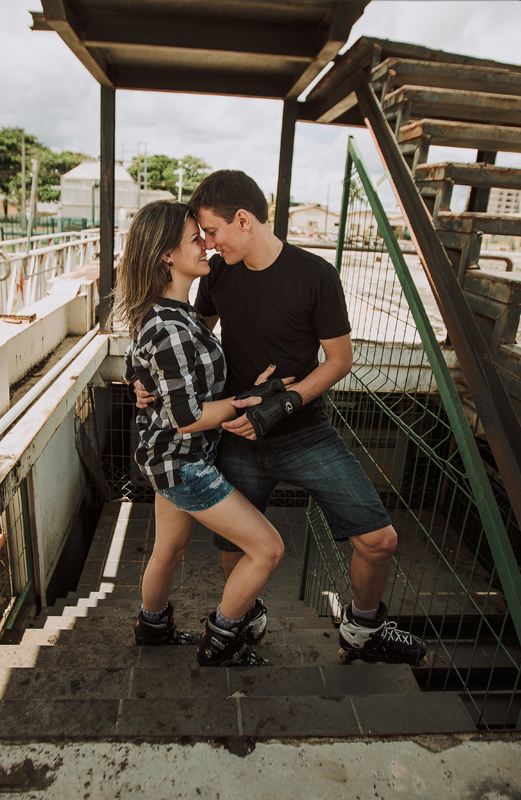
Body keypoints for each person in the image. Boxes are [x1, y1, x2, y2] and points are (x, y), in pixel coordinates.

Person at [135, 171, 427, 665]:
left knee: (380, 540)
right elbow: (187, 341)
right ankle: (242, 616)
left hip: (304, 433)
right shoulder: (220, 272)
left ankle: (364, 629)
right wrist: (146, 381)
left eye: (212, 231)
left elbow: (339, 361)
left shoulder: (315, 275)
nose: (209, 243)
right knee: (235, 545)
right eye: (201, 235)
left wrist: (283, 404)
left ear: (243, 220)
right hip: (235, 435)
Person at [116, 199, 288, 667]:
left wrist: (140, 384)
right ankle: (221, 640)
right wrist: (249, 399)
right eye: (197, 239)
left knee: (169, 548)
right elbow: (188, 417)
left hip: (167, 456)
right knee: (267, 548)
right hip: (182, 461)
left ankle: (152, 628)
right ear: (166, 255)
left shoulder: (172, 313)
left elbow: (143, 366)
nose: (207, 246)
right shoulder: (170, 326)